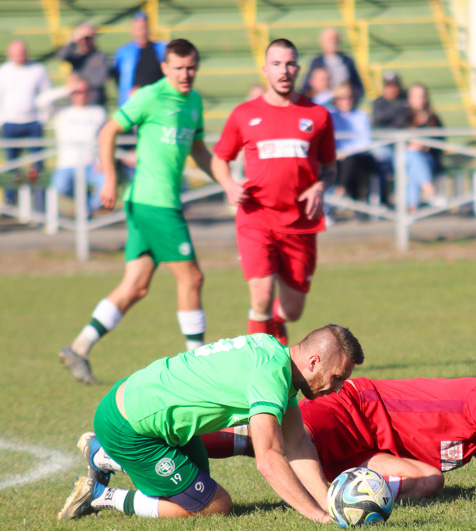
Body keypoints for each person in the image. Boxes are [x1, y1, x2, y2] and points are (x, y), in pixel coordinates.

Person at [57, 325, 364, 522]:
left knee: (198, 481)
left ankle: (102, 454)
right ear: (314, 362)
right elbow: (269, 459)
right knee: (211, 504)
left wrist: (327, 499)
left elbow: (296, 444)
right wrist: (317, 516)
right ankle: (101, 495)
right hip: (130, 427)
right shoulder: (271, 377)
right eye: (337, 378)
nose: (337, 389)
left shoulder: (273, 353)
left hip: (138, 403)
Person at [59, 39, 214, 386]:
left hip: (152, 203)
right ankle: (197, 366)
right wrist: (110, 179)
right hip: (154, 203)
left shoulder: (194, 101)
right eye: (178, 68)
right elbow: (108, 130)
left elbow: (200, 151)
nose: (185, 74)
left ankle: (79, 348)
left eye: (191, 67)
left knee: (135, 286)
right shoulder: (151, 96)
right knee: (192, 279)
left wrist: (229, 183)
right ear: (165, 68)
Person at [201, 371, 476, 501]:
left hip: (370, 448)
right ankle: (166, 442)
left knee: (429, 480)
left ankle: (345, 500)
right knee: (260, 441)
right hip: (351, 410)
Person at [212, 39, 337, 346]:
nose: (284, 70)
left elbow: (331, 167)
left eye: (290, 64)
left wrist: (320, 186)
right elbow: (219, 159)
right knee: (262, 296)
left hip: (300, 223)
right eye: (277, 64)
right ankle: (259, 366)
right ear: (265, 69)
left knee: (293, 311)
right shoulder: (244, 114)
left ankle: (274, 321)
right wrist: (229, 185)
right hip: (256, 217)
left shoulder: (318, 115)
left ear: (298, 69)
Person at [43, 76, 107, 213]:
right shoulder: (61, 113)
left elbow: (103, 140)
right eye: (77, 92)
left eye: (84, 91)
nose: (81, 95)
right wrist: (68, 89)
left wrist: (101, 161)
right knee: (59, 186)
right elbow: (41, 101)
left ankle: (88, 209)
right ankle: (85, 207)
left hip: (92, 165)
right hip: (67, 164)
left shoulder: (99, 112)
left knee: (106, 184)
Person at [0, 40, 51, 207]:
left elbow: (46, 94)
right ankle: (11, 203)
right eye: (16, 52)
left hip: (33, 123)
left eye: (22, 51)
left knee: (37, 166)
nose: (20, 55)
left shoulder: (38, 69)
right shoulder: (4, 71)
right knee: (12, 167)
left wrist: (43, 119)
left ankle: (39, 204)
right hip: (10, 124)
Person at [330, 82, 376, 206]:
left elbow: (365, 142)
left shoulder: (362, 116)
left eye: (349, 97)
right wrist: (331, 93)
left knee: (352, 161)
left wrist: (346, 152)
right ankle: (345, 198)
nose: (347, 101)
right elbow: (314, 103)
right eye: (342, 97)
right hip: (336, 156)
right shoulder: (330, 115)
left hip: (357, 156)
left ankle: (341, 192)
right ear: (336, 99)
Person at [370, 71, 410, 206]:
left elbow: (404, 121)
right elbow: (379, 118)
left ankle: (406, 203)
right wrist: (398, 111)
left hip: (402, 146)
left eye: (394, 85)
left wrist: (395, 115)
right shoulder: (378, 102)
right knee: (380, 162)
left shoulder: (405, 101)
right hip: (384, 145)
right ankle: (382, 201)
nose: (391, 89)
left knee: (407, 162)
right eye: (388, 86)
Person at [405, 83, 445, 212]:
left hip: (428, 159)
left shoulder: (433, 119)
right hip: (402, 158)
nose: (420, 100)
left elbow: (441, 141)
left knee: (414, 162)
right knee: (412, 155)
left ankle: (412, 207)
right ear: (410, 98)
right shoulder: (403, 117)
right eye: (416, 96)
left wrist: (425, 146)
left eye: (422, 96)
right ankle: (430, 191)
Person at [113, 11, 166, 106]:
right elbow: (118, 77)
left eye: (144, 28)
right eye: (138, 29)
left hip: (156, 101)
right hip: (132, 103)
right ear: (132, 30)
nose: (142, 32)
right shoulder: (124, 53)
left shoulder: (161, 49)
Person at [299, 28, 364, 104]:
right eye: (330, 39)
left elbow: (358, 87)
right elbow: (306, 89)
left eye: (336, 38)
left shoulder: (347, 61)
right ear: (322, 42)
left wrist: (350, 100)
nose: (334, 41)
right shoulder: (316, 62)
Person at [56, 22, 110, 106]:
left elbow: (100, 79)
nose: (85, 42)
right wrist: (73, 40)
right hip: (76, 104)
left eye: (88, 38)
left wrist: (80, 82)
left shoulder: (100, 56)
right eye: (82, 39)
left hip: (94, 103)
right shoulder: (76, 56)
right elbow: (61, 56)